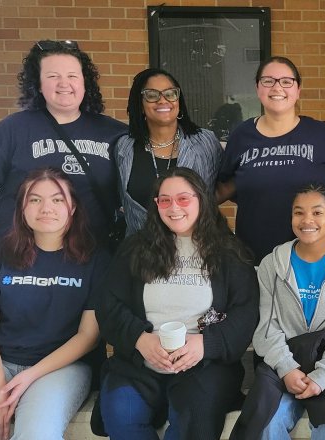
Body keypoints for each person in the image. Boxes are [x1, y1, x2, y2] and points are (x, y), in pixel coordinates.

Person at [0, 168, 107, 440]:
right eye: (34, 199)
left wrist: (28, 378)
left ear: (73, 206)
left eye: (57, 199)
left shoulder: (96, 260)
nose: (46, 208)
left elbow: (88, 336)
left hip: (60, 368)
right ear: (22, 208)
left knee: (37, 435)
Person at [95, 167, 259, 440]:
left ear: (201, 200)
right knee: (121, 416)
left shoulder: (229, 252)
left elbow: (246, 312)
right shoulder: (135, 248)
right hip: (140, 363)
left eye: (183, 199)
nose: (174, 208)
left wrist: (206, 344)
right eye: (165, 200)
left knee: (193, 425)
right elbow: (109, 303)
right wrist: (139, 339)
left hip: (204, 367)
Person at [0, 40, 127, 268]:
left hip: (92, 265)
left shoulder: (116, 134)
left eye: (72, 76)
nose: (64, 84)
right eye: (52, 76)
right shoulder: (12, 130)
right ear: (38, 84)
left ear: (84, 82)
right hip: (21, 265)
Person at [230, 184, 325, 440]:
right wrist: (287, 369)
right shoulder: (272, 265)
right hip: (283, 361)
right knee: (265, 425)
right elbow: (266, 325)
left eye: (317, 213)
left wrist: (322, 375)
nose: (307, 220)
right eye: (299, 212)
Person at [217, 56, 325, 264]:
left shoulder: (320, 134)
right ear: (258, 88)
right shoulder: (241, 135)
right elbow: (226, 187)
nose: (277, 87)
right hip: (253, 257)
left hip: (312, 257)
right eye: (268, 81)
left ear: (298, 89)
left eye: (286, 81)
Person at [117, 68, 223, 236]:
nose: (163, 100)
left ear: (178, 100)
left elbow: (222, 186)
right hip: (141, 253)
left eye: (170, 94)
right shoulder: (124, 147)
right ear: (141, 105)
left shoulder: (205, 141)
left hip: (197, 250)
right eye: (152, 95)